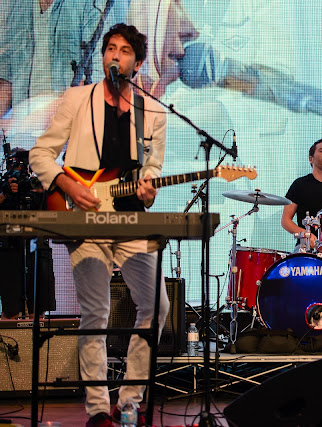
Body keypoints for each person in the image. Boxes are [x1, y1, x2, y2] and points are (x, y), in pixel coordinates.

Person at [29, 23, 169, 427]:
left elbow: (153, 169)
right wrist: (68, 184)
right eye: (110, 48)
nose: (115, 55)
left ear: (137, 64)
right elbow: (41, 154)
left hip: (131, 219)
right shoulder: (76, 98)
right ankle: (96, 410)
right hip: (85, 218)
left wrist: (149, 190)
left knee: (156, 307)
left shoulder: (154, 111)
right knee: (96, 311)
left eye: (125, 50)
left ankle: (129, 399)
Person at [0, 148, 55, 318]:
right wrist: (5, 193)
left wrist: (41, 193)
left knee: (38, 309)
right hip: (8, 246)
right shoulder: (3, 186)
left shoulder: (37, 184)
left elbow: (54, 214)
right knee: (11, 310)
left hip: (36, 245)